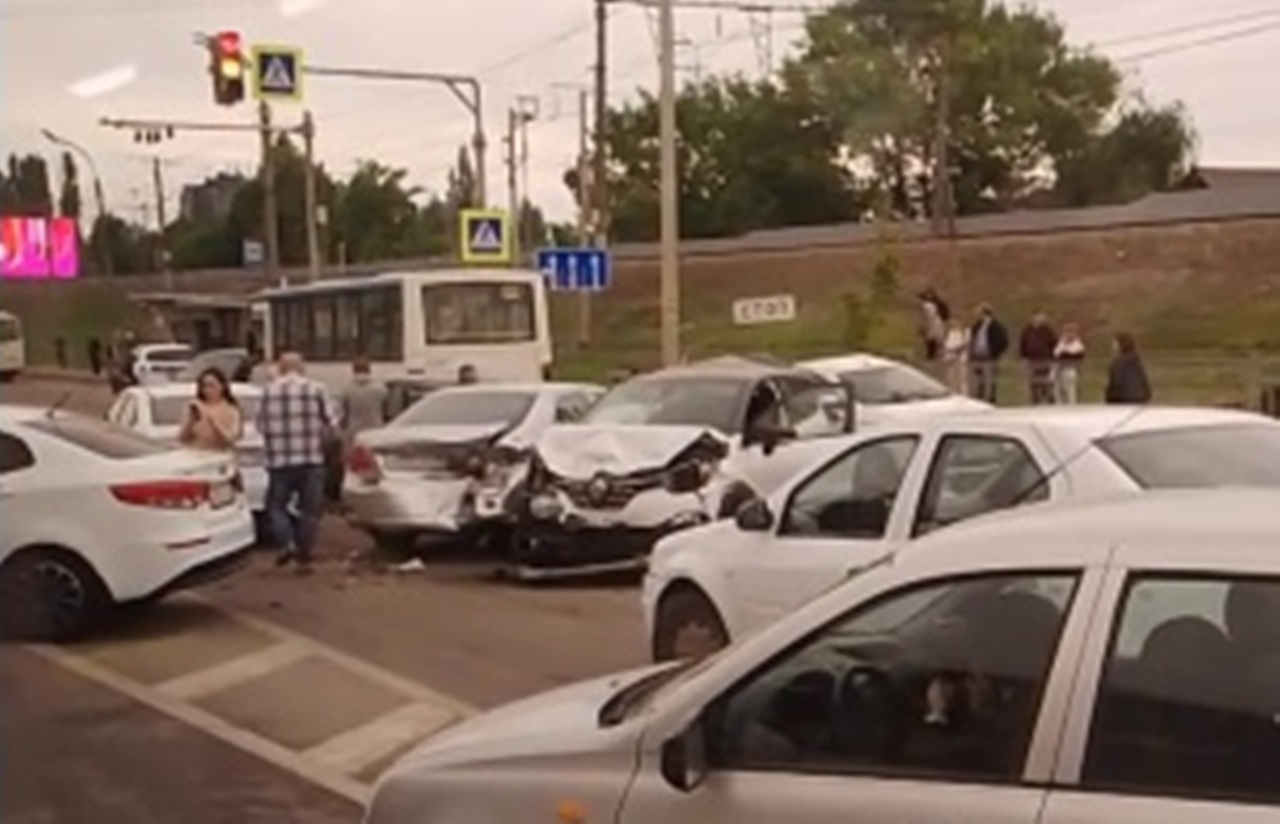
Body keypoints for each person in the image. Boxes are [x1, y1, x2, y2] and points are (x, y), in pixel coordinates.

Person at [256, 352, 338, 572]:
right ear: (302, 368)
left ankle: (286, 543)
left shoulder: (268, 391)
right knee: (310, 510)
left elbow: (260, 426)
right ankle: (305, 554)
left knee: (276, 506)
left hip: (279, 462)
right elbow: (331, 423)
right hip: (311, 460)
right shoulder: (316, 389)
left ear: (281, 368)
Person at [179, 368, 244, 452]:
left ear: (222, 386)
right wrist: (190, 421)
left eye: (211, 386)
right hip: (197, 451)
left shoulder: (232, 409)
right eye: (204, 386)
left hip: (220, 452)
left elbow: (232, 438)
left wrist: (213, 420)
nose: (207, 390)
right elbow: (182, 439)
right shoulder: (195, 407)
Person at [967, 304, 1009, 404]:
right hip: (978, 356)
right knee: (979, 378)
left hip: (990, 356)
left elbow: (1004, 341)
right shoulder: (977, 326)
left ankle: (991, 397)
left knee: (990, 378)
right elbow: (973, 338)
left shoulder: (997, 326)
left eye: (980, 313)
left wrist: (995, 351)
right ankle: (980, 396)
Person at [339, 358, 389, 442]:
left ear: (354, 370)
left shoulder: (347, 389)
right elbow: (386, 411)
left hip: (354, 433)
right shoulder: (380, 389)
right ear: (369, 370)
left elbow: (344, 414)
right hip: (375, 431)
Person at [1019, 312, 1059, 405]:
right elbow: (1023, 344)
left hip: (1044, 359)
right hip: (1031, 360)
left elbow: (1054, 343)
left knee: (1045, 381)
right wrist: (1023, 357)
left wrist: (1051, 356)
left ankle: (1049, 399)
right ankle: (1035, 400)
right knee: (1033, 381)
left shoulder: (1047, 331)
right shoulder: (1027, 330)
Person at [1105, 332, 1152, 405]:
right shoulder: (1136, 360)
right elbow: (1144, 382)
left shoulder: (1118, 363)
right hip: (1140, 398)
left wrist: (1109, 401)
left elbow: (1116, 384)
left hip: (1124, 399)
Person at [1053, 323, 1086, 405]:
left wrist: (1065, 352)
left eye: (1071, 332)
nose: (1069, 334)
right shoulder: (1061, 343)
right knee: (1057, 389)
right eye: (1067, 332)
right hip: (1060, 369)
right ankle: (1059, 405)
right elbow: (1056, 354)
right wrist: (1064, 347)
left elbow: (1076, 355)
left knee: (1071, 390)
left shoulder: (1078, 345)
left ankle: (1072, 405)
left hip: (1071, 369)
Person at [918, 288, 950, 363]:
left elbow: (929, 318)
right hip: (936, 325)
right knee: (933, 342)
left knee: (933, 341)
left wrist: (925, 327)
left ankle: (933, 356)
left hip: (934, 325)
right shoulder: (931, 305)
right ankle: (934, 356)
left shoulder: (929, 306)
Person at [942, 320, 970, 396]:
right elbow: (946, 346)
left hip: (960, 359)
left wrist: (955, 353)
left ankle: (963, 395)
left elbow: (965, 345)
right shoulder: (950, 333)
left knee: (961, 380)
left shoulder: (965, 332)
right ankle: (952, 394)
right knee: (951, 380)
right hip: (950, 359)